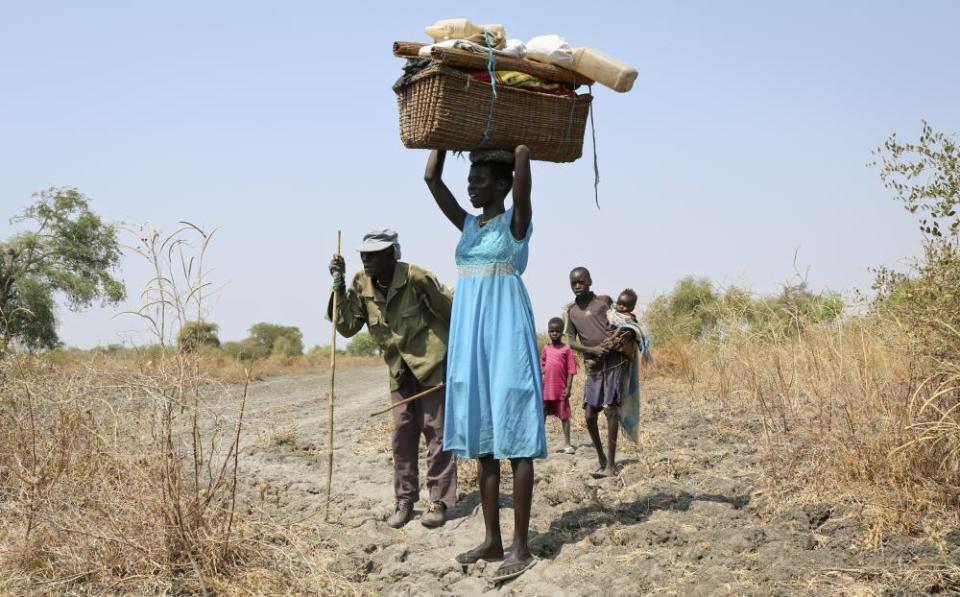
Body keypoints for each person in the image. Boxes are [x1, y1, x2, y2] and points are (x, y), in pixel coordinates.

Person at [424, 145, 545, 582]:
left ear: (502, 184)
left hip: (507, 337)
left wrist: (521, 149)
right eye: (469, 178)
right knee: (486, 444)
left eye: (478, 179)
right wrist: (440, 138)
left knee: (518, 439)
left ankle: (521, 545)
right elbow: (432, 182)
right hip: (471, 341)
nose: (471, 185)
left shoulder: (516, 224)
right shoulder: (468, 225)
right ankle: (492, 539)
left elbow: (525, 183)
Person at [327, 229, 456, 528]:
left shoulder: (417, 278)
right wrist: (338, 286)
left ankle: (438, 500)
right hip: (399, 367)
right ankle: (405, 500)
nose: (367, 259)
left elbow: (451, 312)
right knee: (402, 431)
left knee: (435, 430)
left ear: (393, 254)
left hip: (432, 363)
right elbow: (347, 327)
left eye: (374, 254)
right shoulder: (361, 282)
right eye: (363, 254)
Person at [563, 267, 635, 478]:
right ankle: (601, 458)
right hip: (593, 366)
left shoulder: (604, 301)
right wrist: (591, 351)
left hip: (612, 363)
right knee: (589, 415)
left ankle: (611, 464)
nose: (577, 286)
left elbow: (621, 323)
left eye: (581, 282)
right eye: (573, 283)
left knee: (611, 411)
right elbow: (570, 341)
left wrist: (614, 345)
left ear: (590, 282)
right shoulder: (572, 312)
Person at [541, 317, 577, 454]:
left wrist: (568, 387)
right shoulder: (546, 348)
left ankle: (567, 443)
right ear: (548, 332)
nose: (554, 333)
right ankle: (541, 443)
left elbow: (571, 370)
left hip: (561, 389)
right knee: (542, 414)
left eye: (557, 331)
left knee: (564, 416)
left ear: (562, 333)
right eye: (551, 331)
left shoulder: (567, 349)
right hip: (546, 389)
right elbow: (542, 364)